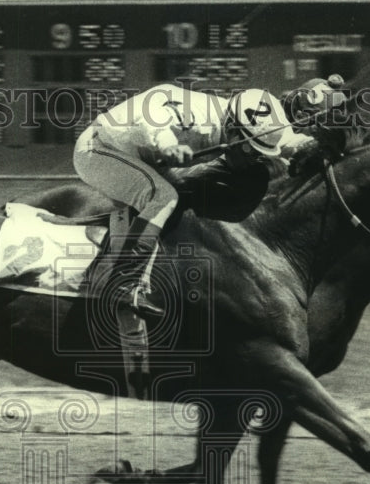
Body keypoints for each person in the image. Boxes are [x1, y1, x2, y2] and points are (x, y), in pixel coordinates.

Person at [74, 83, 318, 317]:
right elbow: (152, 111)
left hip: (140, 157)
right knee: (164, 196)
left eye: (258, 153)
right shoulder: (196, 116)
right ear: (232, 129)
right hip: (98, 150)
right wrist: (167, 143)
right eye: (249, 150)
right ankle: (121, 284)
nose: (251, 158)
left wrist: (319, 143)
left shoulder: (249, 122)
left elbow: (288, 142)